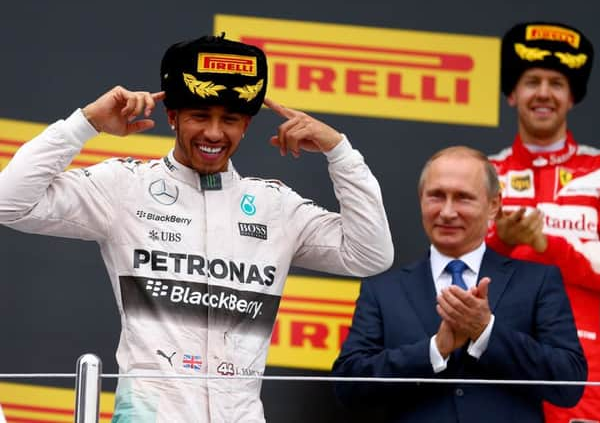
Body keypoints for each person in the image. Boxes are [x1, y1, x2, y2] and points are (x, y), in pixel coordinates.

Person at [0, 34, 394, 422]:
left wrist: (338, 151)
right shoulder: (125, 187)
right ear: (172, 117)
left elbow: (369, 254)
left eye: (231, 120)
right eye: (199, 116)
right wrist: (85, 124)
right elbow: (9, 202)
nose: (214, 133)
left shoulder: (276, 207)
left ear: (247, 125)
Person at [332, 146, 586, 423]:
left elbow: (568, 384)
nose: (448, 212)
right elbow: (348, 386)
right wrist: (434, 350)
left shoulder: (538, 281)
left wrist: (486, 332)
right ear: (421, 199)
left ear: (493, 205)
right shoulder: (383, 290)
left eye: (463, 198)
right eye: (436, 196)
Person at [487, 21, 600, 422]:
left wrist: (546, 245)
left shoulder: (599, 170)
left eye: (557, 83)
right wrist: (499, 241)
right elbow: (450, 271)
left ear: (573, 97)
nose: (543, 93)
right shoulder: (484, 173)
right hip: (499, 363)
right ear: (511, 94)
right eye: (531, 80)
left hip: (587, 375)